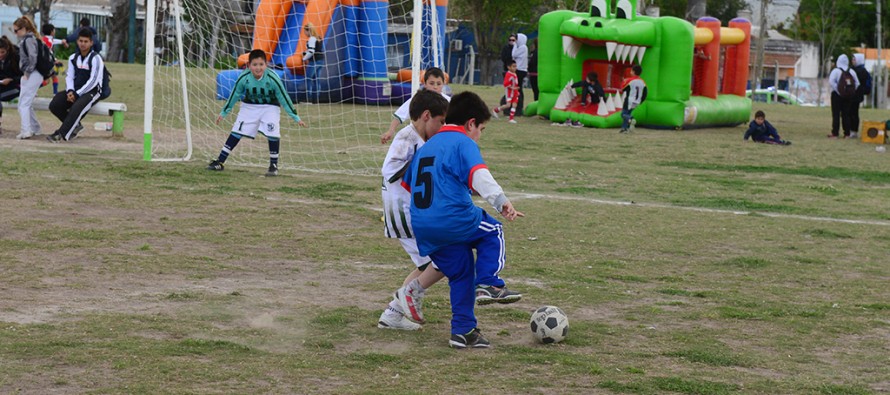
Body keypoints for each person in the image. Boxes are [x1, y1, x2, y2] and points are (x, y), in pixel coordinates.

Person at [403, 91, 524, 349]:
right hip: (452, 219)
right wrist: (503, 202)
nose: (479, 134)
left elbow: (409, 184)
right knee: (493, 230)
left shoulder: (429, 145)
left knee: (461, 270)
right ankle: (490, 283)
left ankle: (463, 331)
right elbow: (480, 175)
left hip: (423, 225)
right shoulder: (463, 142)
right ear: (470, 124)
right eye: (480, 128)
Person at [377, 89, 449, 331]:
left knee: (429, 265)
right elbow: (389, 171)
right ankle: (401, 303)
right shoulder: (406, 138)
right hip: (403, 214)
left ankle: (393, 312)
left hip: (413, 212)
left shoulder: (422, 140)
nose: (442, 127)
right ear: (426, 116)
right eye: (441, 122)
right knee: (444, 259)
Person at [208, 49, 306, 176]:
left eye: (261, 64)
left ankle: (273, 165)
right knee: (237, 131)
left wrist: (295, 116)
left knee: (273, 132)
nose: (258, 68)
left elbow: (283, 97)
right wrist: (224, 112)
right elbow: (235, 95)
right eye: (255, 65)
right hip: (249, 106)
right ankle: (219, 162)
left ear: (266, 65)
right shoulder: (244, 77)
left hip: (270, 106)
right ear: (249, 65)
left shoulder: (273, 78)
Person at [46, 28, 105, 142]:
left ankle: (61, 135)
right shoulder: (73, 57)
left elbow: (93, 81)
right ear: (77, 41)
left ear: (91, 42)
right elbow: (70, 76)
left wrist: (77, 94)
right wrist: (70, 91)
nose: (83, 44)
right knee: (55, 104)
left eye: (86, 41)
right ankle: (76, 125)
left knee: (76, 107)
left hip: (92, 91)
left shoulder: (96, 59)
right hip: (75, 90)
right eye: (81, 41)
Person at [380, 67, 449, 144]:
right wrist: (390, 131)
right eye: (431, 83)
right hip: (419, 140)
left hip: (441, 140)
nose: (435, 87)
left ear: (443, 84)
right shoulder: (418, 100)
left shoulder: (449, 102)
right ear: (425, 84)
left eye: (438, 84)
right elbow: (400, 116)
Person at [13, 16, 44, 140]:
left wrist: (27, 72)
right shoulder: (31, 39)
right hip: (33, 73)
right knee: (26, 103)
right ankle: (35, 128)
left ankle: (26, 130)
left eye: (17, 30)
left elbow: (33, 57)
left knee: (23, 104)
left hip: (32, 73)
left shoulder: (29, 40)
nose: (16, 33)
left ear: (24, 29)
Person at [828, 54, 859, 139]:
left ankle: (835, 133)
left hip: (836, 96)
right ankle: (847, 134)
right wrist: (850, 91)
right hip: (848, 96)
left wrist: (838, 90)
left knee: (836, 114)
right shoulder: (852, 71)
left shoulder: (836, 71)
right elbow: (857, 83)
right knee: (846, 114)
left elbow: (831, 82)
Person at [0, 36, 22, 134]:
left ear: (7, 50)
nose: (0, 55)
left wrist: (11, 80)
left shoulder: (16, 56)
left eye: (2, 52)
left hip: (15, 86)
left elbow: (23, 76)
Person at [620, 64, 647, 134]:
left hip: (629, 100)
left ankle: (631, 119)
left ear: (633, 71)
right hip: (637, 101)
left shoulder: (630, 80)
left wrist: (623, 81)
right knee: (628, 113)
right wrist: (641, 101)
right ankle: (624, 128)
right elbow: (645, 93)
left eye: (631, 70)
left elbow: (623, 89)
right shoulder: (643, 82)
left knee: (623, 114)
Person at [850, 53, 871, 139]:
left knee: (854, 113)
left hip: (856, 95)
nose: (852, 61)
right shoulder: (853, 69)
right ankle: (851, 130)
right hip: (853, 94)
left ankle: (854, 131)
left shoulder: (862, 71)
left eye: (854, 59)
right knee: (850, 113)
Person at [301, 23, 323, 103]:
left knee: (308, 79)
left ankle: (308, 98)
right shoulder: (319, 38)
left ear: (308, 30)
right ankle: (315, 99)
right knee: (316, 80)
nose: (304, 33)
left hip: (314, 61)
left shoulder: (312, 39)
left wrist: (304, 58)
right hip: (321, 61)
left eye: (305, 31)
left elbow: (311, 51)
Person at [40, 23, 64, 94]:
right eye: (54, 30)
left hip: (44, 62)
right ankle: (55, 93)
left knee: (52, 77)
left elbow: (53, 41)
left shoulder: (44, 39)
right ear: (51, 32)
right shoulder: (48, 41)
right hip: (47, 63)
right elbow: (48, 53)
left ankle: (55, 93)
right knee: (49, 79)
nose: (55, 31)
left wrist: (62, 41)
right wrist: (55, 60)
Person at [511, 33, 528, 114]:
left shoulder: (523, 47)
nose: (515, 41)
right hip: (520, 70)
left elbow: (513, 54)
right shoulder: (521, 47)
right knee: (518, 88)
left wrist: (514, 45)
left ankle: (519, 107)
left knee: (518, 89)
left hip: (520, 70)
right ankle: (517, 106)